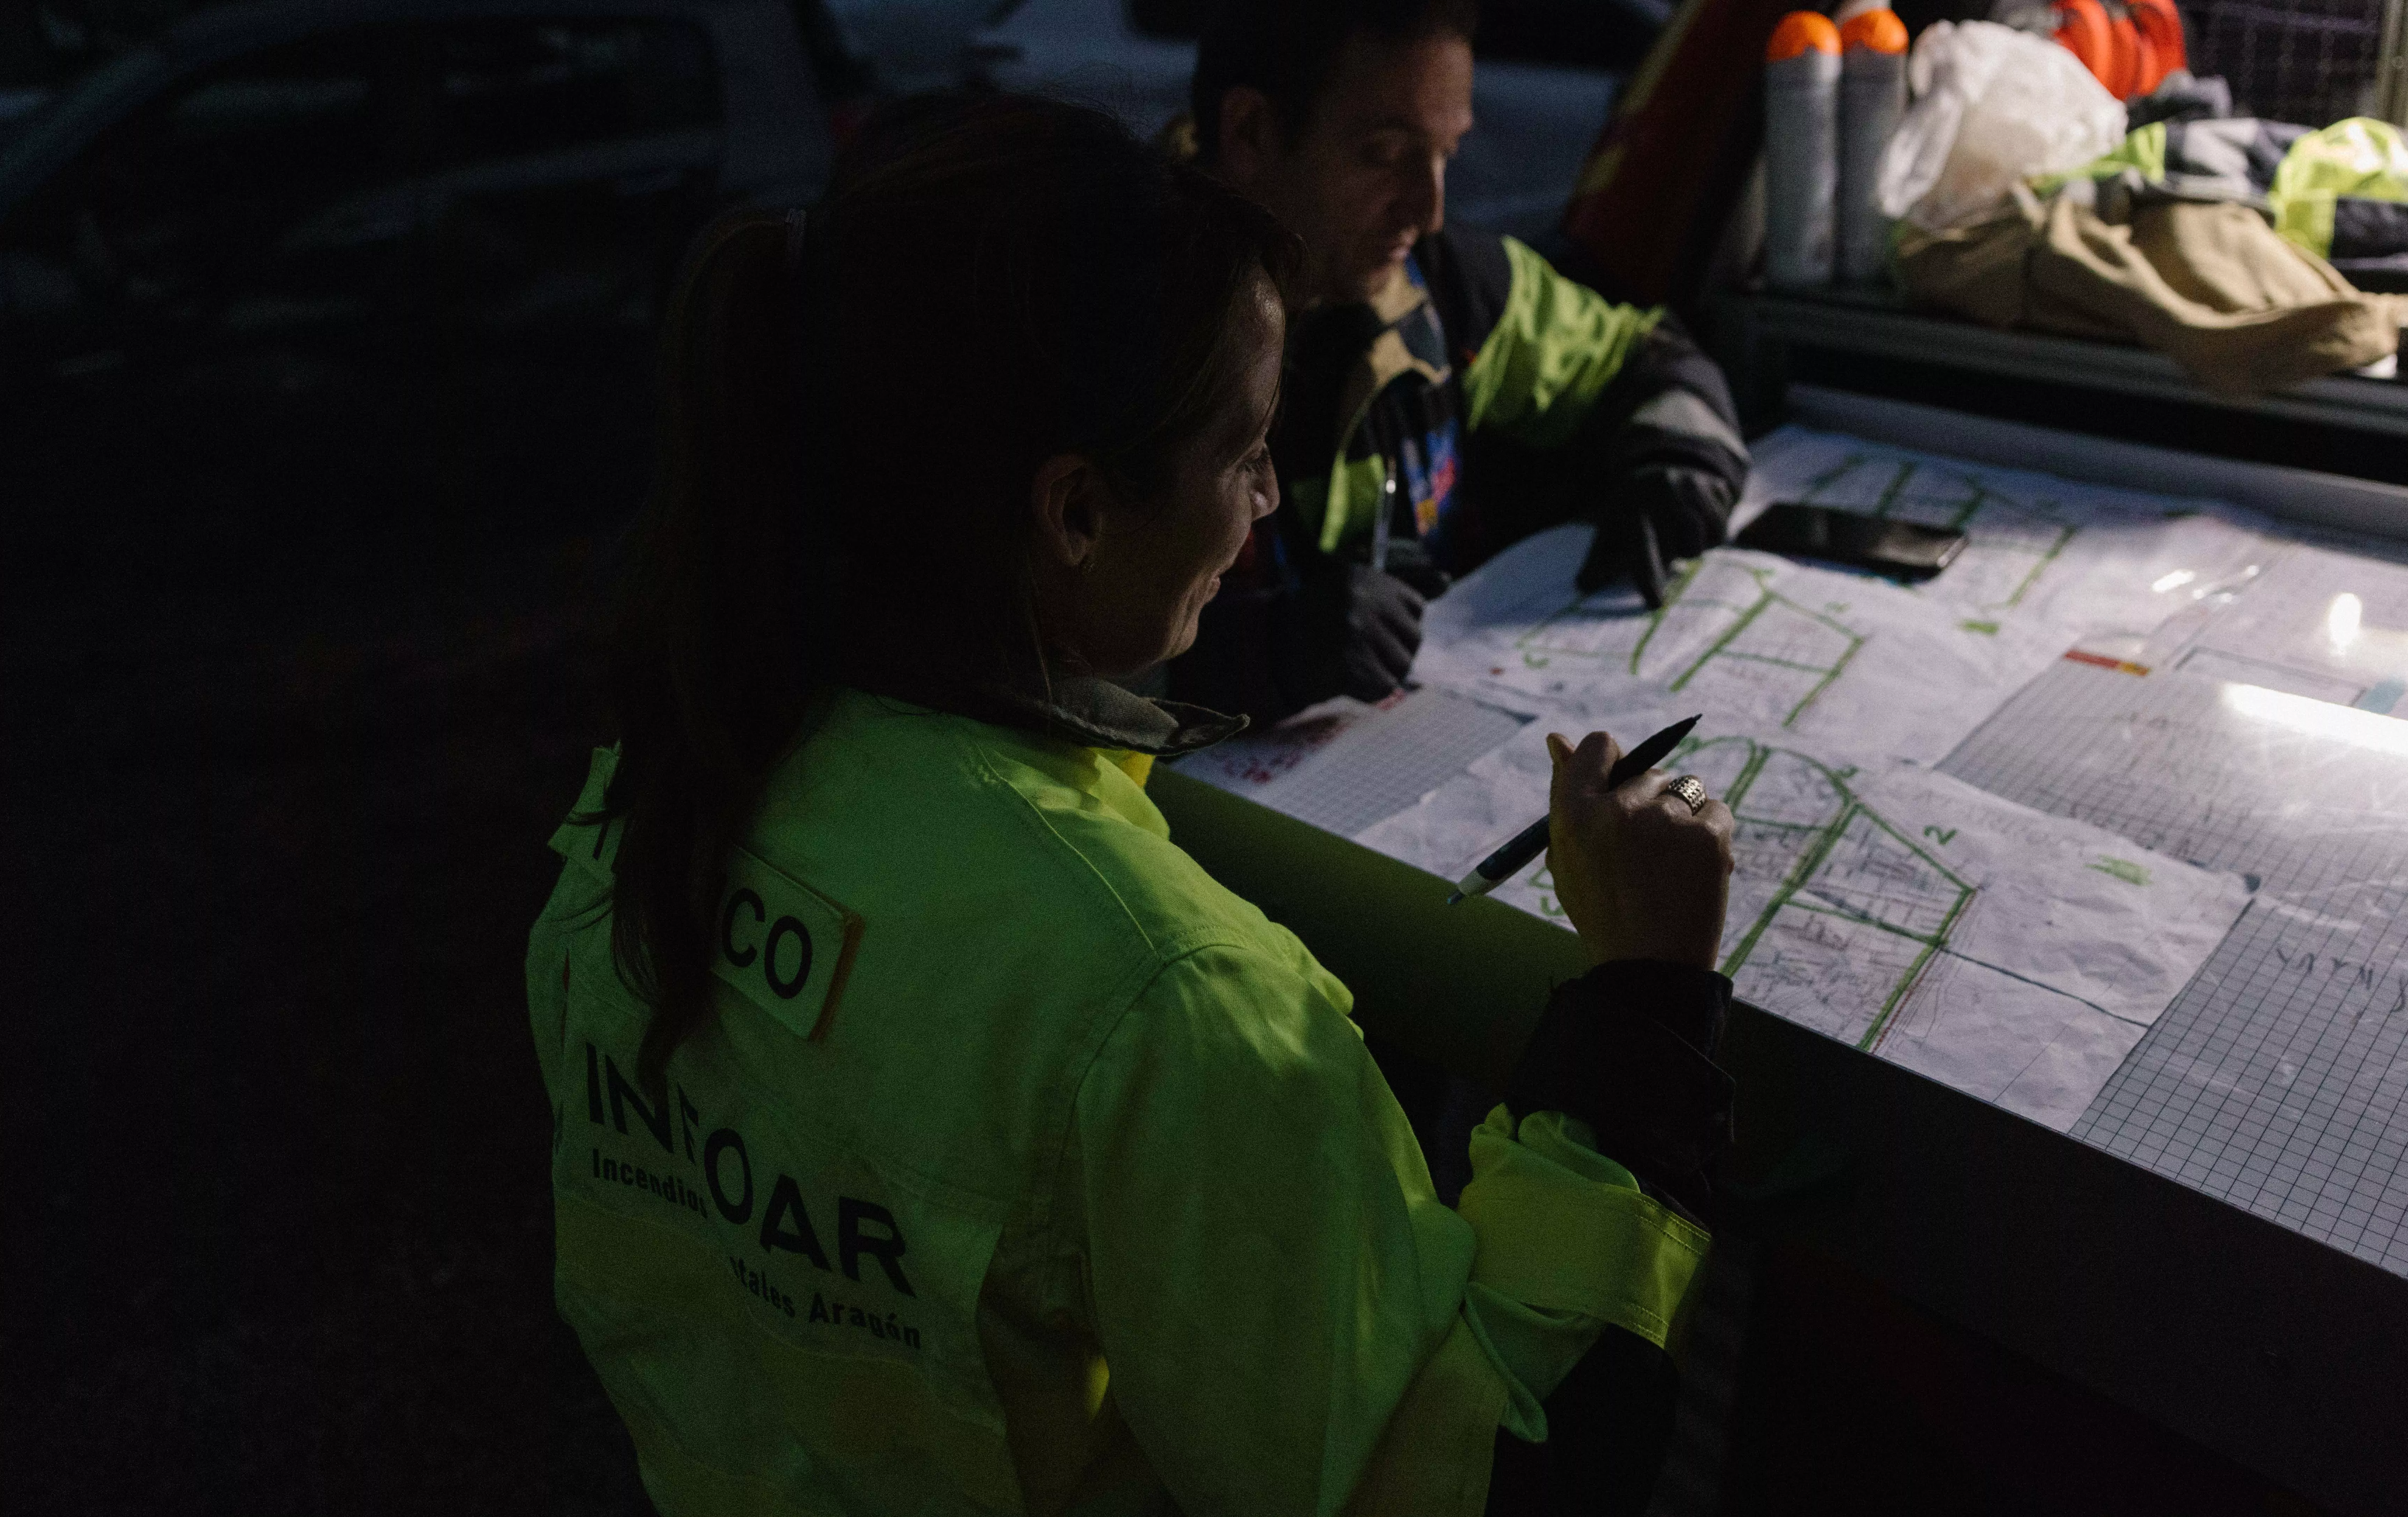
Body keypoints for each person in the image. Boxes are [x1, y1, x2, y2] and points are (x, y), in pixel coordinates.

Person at [526, 99, 1740, 1515]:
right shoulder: (1165, 1001)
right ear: (1075, 512)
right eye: (1242, 454)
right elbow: (1490, 1470)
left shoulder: (656, 795)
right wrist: (1645, 1009)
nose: (1269, 502)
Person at [1168, 0, 1749, 725]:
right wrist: (1262, 652)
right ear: (1251, 130)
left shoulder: (1447, 289)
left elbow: (1650, 357)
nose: (1429, 210)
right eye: (1385, 155)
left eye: (1444, 154)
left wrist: (1681, 467)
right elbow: (1013, 652)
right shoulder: (1116, 326)